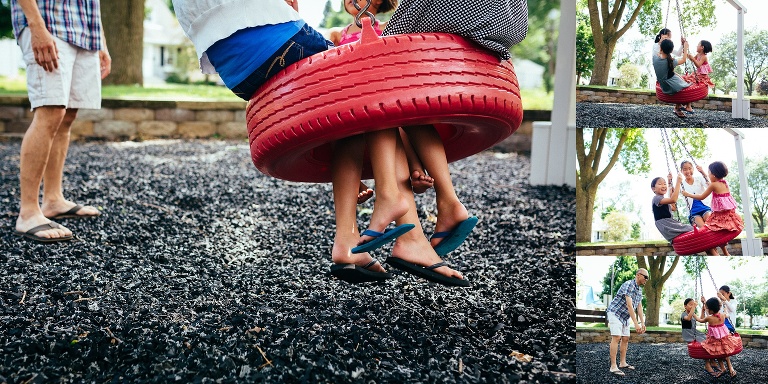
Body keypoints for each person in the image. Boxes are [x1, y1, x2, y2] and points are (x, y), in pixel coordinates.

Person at [11, 0, 111, 243]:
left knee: (67, 115)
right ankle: (28, 213)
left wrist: (101, 42)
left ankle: (53, 200)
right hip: (47, 21)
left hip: (85, 31)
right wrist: (36, 25)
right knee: (50, 110)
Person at [330, 0, 435, 204]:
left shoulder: (386, 28)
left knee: (399, 124)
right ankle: (355, 180)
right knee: (336, 131)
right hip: (351, 95)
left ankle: (415, 169)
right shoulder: (337, 34)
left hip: (380, 90)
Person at [651, 174, 718, 255]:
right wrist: (678, 182)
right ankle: (714, 251)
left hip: (668, 225)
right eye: (660, 184)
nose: (663, 185)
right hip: (668, 225)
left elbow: (673, 207)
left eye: (664, 183)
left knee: (700, 236)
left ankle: (713, 252)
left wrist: (669, 184)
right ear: (653, 189)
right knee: (697, 231)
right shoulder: (656, 198)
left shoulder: (662, 200)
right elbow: (673, 200)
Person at [605, 269, 648, 376]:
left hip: (624, 316)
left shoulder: (639, 290)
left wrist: (642, 322)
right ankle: (613, 366)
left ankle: (623, 363)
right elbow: (629, 305)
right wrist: (635, 323)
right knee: (617, 337)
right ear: (638, 275)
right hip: (615, 312)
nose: (647, 280)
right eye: (645, 277)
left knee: (626, 338)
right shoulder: (629, 284)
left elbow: (639, 306)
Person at [682, 161, 744, 235]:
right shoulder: (725, 183)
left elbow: (702, 196)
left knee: (710, 228)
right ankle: (721, 245)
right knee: (708, 229)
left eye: (709, 173)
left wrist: (688, 194)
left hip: (712, 211)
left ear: (714, 175)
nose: (708, 175)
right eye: (685, 169)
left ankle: (720, 244)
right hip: (725, 214)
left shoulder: (711, 184)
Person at [680, 161, 728, 255]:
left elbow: (711, 184)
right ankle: (714, 252)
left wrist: (703, 172)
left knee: (712, 226)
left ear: (693, 169)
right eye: (685, 169)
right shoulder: (681, 184)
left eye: (690, 168)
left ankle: (725, 251)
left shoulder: (699, 179)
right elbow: (673, 196)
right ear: (681, 171)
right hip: (693, 212)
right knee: (703, 230)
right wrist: (670, 183)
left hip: (705, 208)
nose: (688, 171)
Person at [694, 297, 739, 378]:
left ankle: (723, 368)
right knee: (722, 353)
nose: (706, 309)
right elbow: (727, 315)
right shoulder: (722, 315)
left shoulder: (709, 318)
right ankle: (724, 368)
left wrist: (693, 314)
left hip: (714, 340)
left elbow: (700, 320)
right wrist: (725, 310)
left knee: (717, 353)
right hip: (724, 338)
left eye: (707, 308)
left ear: (710, 310)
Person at [653, 39, 691, 118]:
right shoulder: (671, 61)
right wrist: (685, 48)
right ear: (671, 51)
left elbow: (658, 51)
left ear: (661, 48)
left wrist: (662, 41)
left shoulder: (655, 58)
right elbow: (684, 60)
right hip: (672, 85)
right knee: (688, 86)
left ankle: (678, 107)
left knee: (677, 76)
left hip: (663, 85)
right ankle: (686, 106)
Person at [681, 40, 714, 113]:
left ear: (702, 47)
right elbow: (691, 58)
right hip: (697, 74)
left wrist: (693, 59)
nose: (696, 46)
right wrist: (685, 51)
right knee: (687, 84)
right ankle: (688, 106)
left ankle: (688, 106)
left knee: (690, 84)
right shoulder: (698, 55)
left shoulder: (704, 56)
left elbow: (698, 64)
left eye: (698, 45)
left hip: (702, 76)